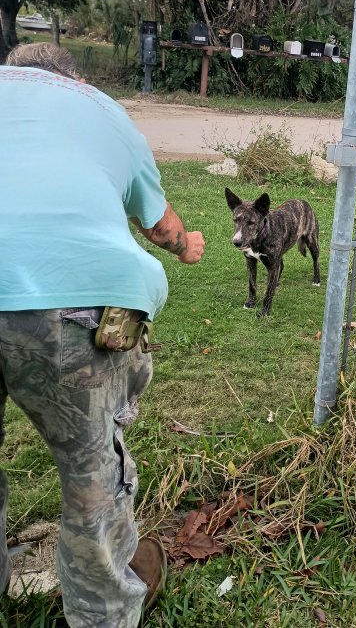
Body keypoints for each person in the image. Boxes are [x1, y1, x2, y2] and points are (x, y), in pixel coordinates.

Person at [0, 42, 205, 627]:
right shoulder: (100, 108)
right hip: (73, 308)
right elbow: (160, 223)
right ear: (76, 78)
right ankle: (102, 614)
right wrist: (185, 246)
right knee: (91, 472)